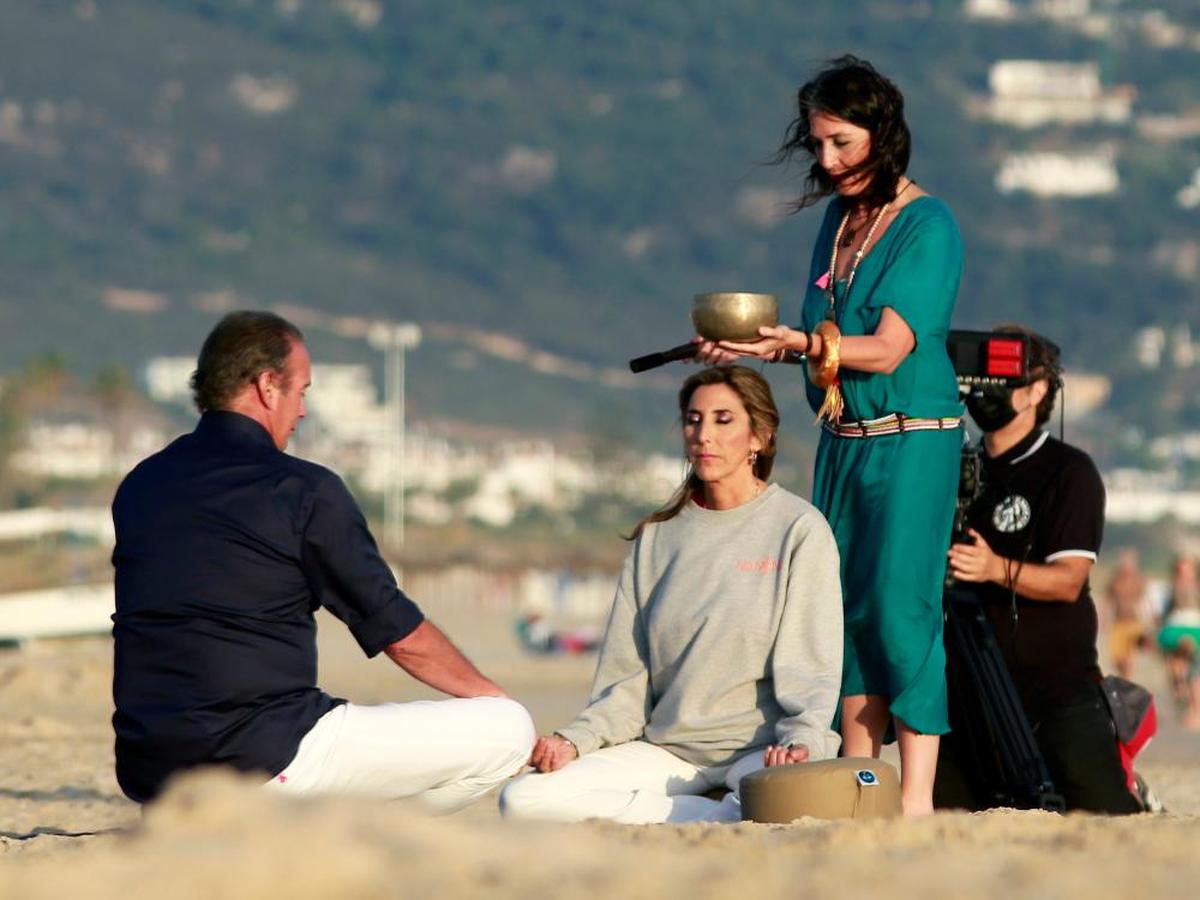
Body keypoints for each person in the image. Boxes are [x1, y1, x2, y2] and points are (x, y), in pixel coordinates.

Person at [111, 311, 535, 807]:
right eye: (302, 391)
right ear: (269, 386)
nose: (303, 411)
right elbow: (398, 633)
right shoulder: (302, 490)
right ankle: (347, 837)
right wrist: (493, 699)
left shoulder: (141, 485)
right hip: (260, 759)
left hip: (151, 772)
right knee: (509, 727)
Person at [699, 55, 962, 816]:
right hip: (845, 439)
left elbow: (887, 347)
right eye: (818, 144)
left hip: (915, 437)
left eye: (842, 142)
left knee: (896, 605)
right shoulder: (837, 222)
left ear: (882, 135)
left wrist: (804, 346)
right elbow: (823, 349)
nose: (828, 160)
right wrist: (764, 346)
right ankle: (861, 776)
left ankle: (914, 798)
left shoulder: (928, 224)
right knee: (837, 605)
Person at [499, 366, 843, 824]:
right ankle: (711, 814)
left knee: (779, 802)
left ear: (758, 437)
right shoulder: (657, 538)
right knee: (523, 799)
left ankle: (717, 810)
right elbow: (624, 686)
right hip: (667, 752)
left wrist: (801, 742)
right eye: (694, 419)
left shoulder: (799, 530)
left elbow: (811, 672)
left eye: (723, 420)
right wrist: (573, 740)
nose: (704, 434)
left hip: (762, 753)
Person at [938, 325, 1144, 814]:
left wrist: (994, 568)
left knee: (1106, 816)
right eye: (980, 377)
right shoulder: (949, 465)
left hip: (1057, 691)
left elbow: (1069, 580)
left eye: (1002, 378)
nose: (986, 391)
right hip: (964, 692)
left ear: (1037, 391)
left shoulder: (1068, 471)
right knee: (949, 815)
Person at [1160, 553, 1200, 731]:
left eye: (1188, 570)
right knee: (1176, 668)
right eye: (1182, 570)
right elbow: (1164, 614)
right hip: (1175, 630)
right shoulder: (1171, 589)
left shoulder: (1197, 588)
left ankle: (1195, 711)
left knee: (1194, 675)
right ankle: (1181, 693)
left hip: (1193, 630)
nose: (1185, 574)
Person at [1102, 548, 1151, 680]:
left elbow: (1146, 600)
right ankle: (1124, 678)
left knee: (1129, 658)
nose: (1126, 564)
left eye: (1129, 561)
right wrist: (1104, 620)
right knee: (1117, 658)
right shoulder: (1115, 580)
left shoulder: (1139, 579)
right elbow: (1107, 601)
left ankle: (1127, 682)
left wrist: (1149, 621)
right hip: (1118, 623)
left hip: (1134, 623)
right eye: (1124, 561)